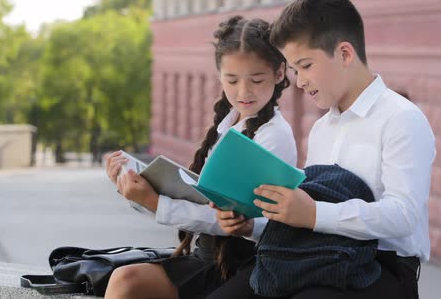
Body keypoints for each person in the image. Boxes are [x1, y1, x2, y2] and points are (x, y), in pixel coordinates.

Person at [209, 0, 435, 299]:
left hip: (383, 270)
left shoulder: (401, 119)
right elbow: (304, 217)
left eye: (305, 65)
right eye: (294, 70)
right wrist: (250, 226)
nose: (299, 82)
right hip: (314, 255)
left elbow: (403, 216)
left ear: (344, 54)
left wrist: (314, 214)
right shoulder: (321, 129)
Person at [103, 15, 298, 299]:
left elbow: (224, 218)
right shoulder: (227, 125)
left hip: (245, 265)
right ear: (219, 75)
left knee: (128, 281)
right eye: (232, 80)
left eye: (256, 80)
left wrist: (155, 202)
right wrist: (134, 189)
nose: (244, 92)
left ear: (280, 73)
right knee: (126, 279)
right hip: (207, 258)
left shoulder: (275, 135)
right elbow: (197, 201)